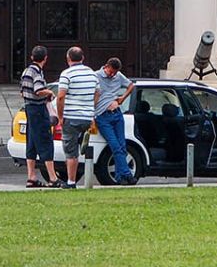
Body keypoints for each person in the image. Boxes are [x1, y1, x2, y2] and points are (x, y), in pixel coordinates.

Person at [56, 46, 98, 188]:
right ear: (83, 58)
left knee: (70, 151)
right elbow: (98, 92)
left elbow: (61, 96)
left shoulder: (66, 74)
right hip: (87, 117)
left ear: (68, 59)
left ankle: (71, 181)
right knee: (83, 147)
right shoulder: (92, 74)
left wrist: (60, 116)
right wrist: (90, 107)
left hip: (71, 116)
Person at [19, 45, 61, 188]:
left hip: (29, 109)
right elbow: (38, 90)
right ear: (45, 59)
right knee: (45, 141)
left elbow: (22, 91)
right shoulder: (37, 72)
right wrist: (49, 93)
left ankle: (31, 177)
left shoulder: (26, 71)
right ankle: (53, 178)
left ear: (32, 57)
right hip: (38, 110)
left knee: (31, 143)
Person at [94, 57, 137, 185]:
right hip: (102, 116)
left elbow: (131, 85)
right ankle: (127, 174)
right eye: (110, 72)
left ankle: (120, 177)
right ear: (106, 66)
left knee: (122, 146)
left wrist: (123, 98)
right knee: (115, 145)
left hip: (116, 114)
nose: (112, 75)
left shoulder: (118, 76)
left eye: (114, 73)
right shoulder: (96, 76)